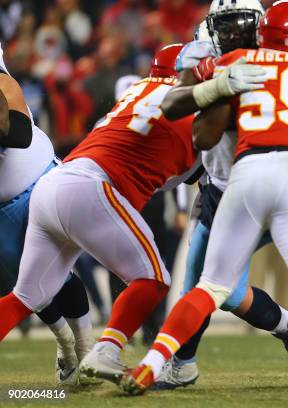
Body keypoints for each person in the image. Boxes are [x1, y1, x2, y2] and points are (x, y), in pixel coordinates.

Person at [123, 1, 288, 399]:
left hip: (243, 179)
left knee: (208, 287)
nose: (233, 31)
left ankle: (151, 363)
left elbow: (202, 136)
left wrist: (219, 86)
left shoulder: (233, 60)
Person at [0, 44, 200, 387]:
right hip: (88, 188)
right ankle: (106, 350)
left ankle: (88, 348)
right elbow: (189, 172)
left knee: (24, 297)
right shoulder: (194, 108)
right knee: (154, 278)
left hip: (54, 184)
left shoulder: (137, 90)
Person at [0, 41, 92, 385]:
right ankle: (66, 345)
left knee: (60, 276)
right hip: (2, 209)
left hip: (37, 185)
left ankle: (87, 349)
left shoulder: (4, 84)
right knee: (25, 287)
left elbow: (19, 136)